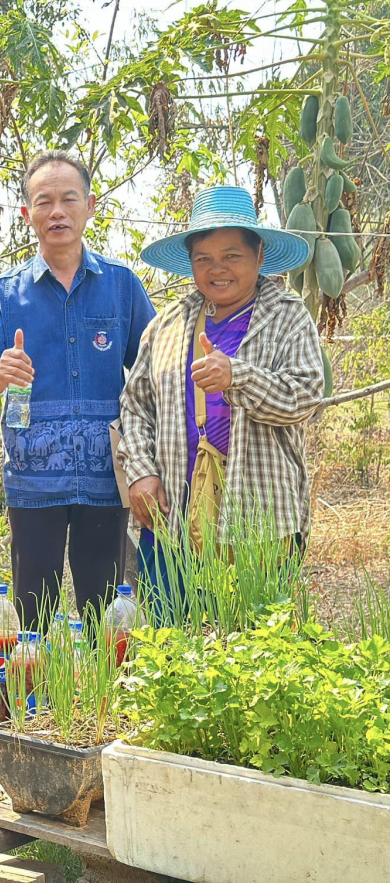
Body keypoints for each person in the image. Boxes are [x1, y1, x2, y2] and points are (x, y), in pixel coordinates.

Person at [0, 150, 155, 623]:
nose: (57, 211)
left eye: (68, 199)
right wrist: (1, 371)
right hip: (33, 477)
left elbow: (151, 369)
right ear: (27, 215)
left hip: (104, 478)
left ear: (90, 206)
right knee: (33, 609)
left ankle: (100, 697)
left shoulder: (121, 285)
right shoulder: (5, 292)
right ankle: (33, 698)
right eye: (44, 201)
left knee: (103, 608)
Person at [119, 185, 322, 605]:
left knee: (257, 650)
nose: (217, 269)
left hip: (261, 518)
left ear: (259, 256)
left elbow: (305, 395)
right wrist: (140, 470)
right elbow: (136, 404)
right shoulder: (169, 324)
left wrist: (238, 376)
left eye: (232, 255)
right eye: (203, 259)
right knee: (173, 647)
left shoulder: (287, 316)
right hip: (173, 515)